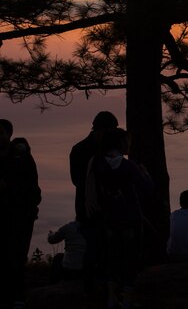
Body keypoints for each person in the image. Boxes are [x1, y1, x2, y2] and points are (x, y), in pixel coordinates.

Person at [85, 127, 153, 309]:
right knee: (131, 258)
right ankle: (128, 299)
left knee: (112, 257)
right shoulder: (127, 166)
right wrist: (146, 175)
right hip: (131, 217)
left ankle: (111, 298)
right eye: (127, 141)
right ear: (120, 143)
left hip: (108, 219)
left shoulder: (97, 164)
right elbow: (146, 189)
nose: (129, 144)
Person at [70, 111, 119, 292]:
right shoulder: (81, 149)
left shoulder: (107, 149)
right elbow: (77, 180)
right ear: (102, 129)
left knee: (105, 247)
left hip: (105, 206)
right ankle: (91, 286)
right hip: (89, 207)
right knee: (91, 246)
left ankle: (103, 284)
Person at [0, 119, 41, 309]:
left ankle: (17, 296)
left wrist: (10, 189)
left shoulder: (21, 156)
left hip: (18, 215)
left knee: (15, 255)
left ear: (8, 134)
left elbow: (32, 186)